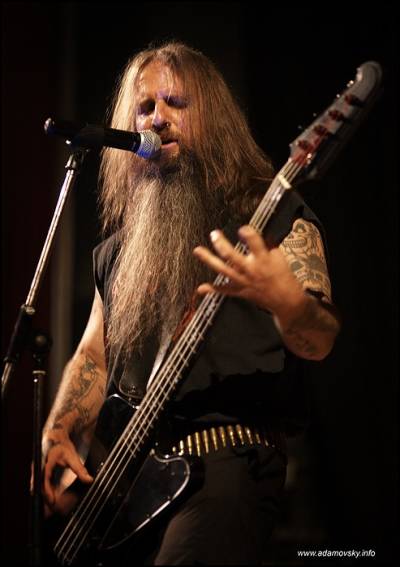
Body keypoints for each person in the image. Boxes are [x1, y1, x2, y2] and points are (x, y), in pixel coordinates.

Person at [41, 41, 340, 565]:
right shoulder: (117, 251)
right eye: (145, 107)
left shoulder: (271, 218)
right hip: (129, 490)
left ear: (214, 118)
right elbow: (94, 354)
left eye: (176, 103)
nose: (157, 118)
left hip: (227, 464)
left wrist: (287, 303)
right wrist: (59, 427)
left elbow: (320, 340)